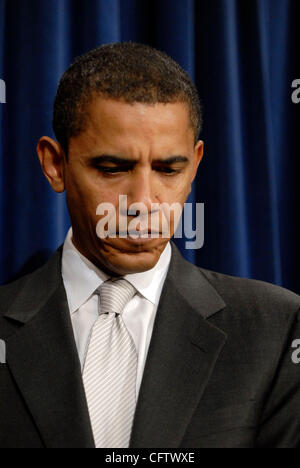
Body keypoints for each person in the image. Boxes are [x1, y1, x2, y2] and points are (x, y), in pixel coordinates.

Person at [0, 42, 299, 449]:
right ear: (55, 164)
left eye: (167, 169)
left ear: (194, 165)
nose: (142, 203)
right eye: (112, 168)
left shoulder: (278, 329)